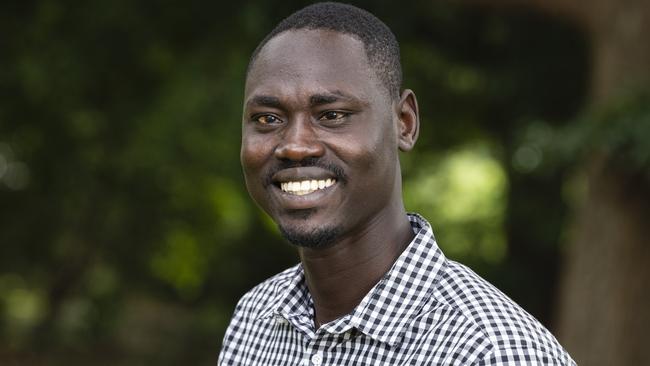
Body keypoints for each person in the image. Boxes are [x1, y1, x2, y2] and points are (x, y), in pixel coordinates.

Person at [218, 2, 575, 365]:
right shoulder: (256, 319)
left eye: (332, 115)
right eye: (267, 118)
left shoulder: (491, 351)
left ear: (404, 122)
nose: (295, 146)